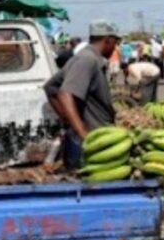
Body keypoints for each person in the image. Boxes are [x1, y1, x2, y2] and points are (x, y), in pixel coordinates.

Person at [44, 20, 119, 169]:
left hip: (96, 138)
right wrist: (82, 132)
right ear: (108, 40)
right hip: (93, 142)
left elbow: (51, 87)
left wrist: (67, 119)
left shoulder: (87, 58)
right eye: (115, 43)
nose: (115, 47)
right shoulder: (87, 60)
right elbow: (66, 94)